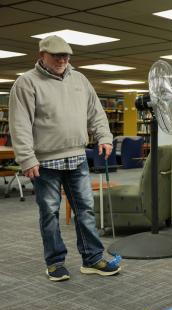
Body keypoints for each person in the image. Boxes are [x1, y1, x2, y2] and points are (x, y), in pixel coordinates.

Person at [9, 35, 121, 282]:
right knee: (49, 212)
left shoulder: (80, 79)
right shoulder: (26, 83)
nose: (62, 60)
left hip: (77, 157)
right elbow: (20, 125)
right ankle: (55, 262)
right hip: (44, 162)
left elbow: (96, 113)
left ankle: (92, 259)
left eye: (66, 56)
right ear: (42, 56)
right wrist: (27, 158)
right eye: (57, 56)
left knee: (86, 210)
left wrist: (104, 137)